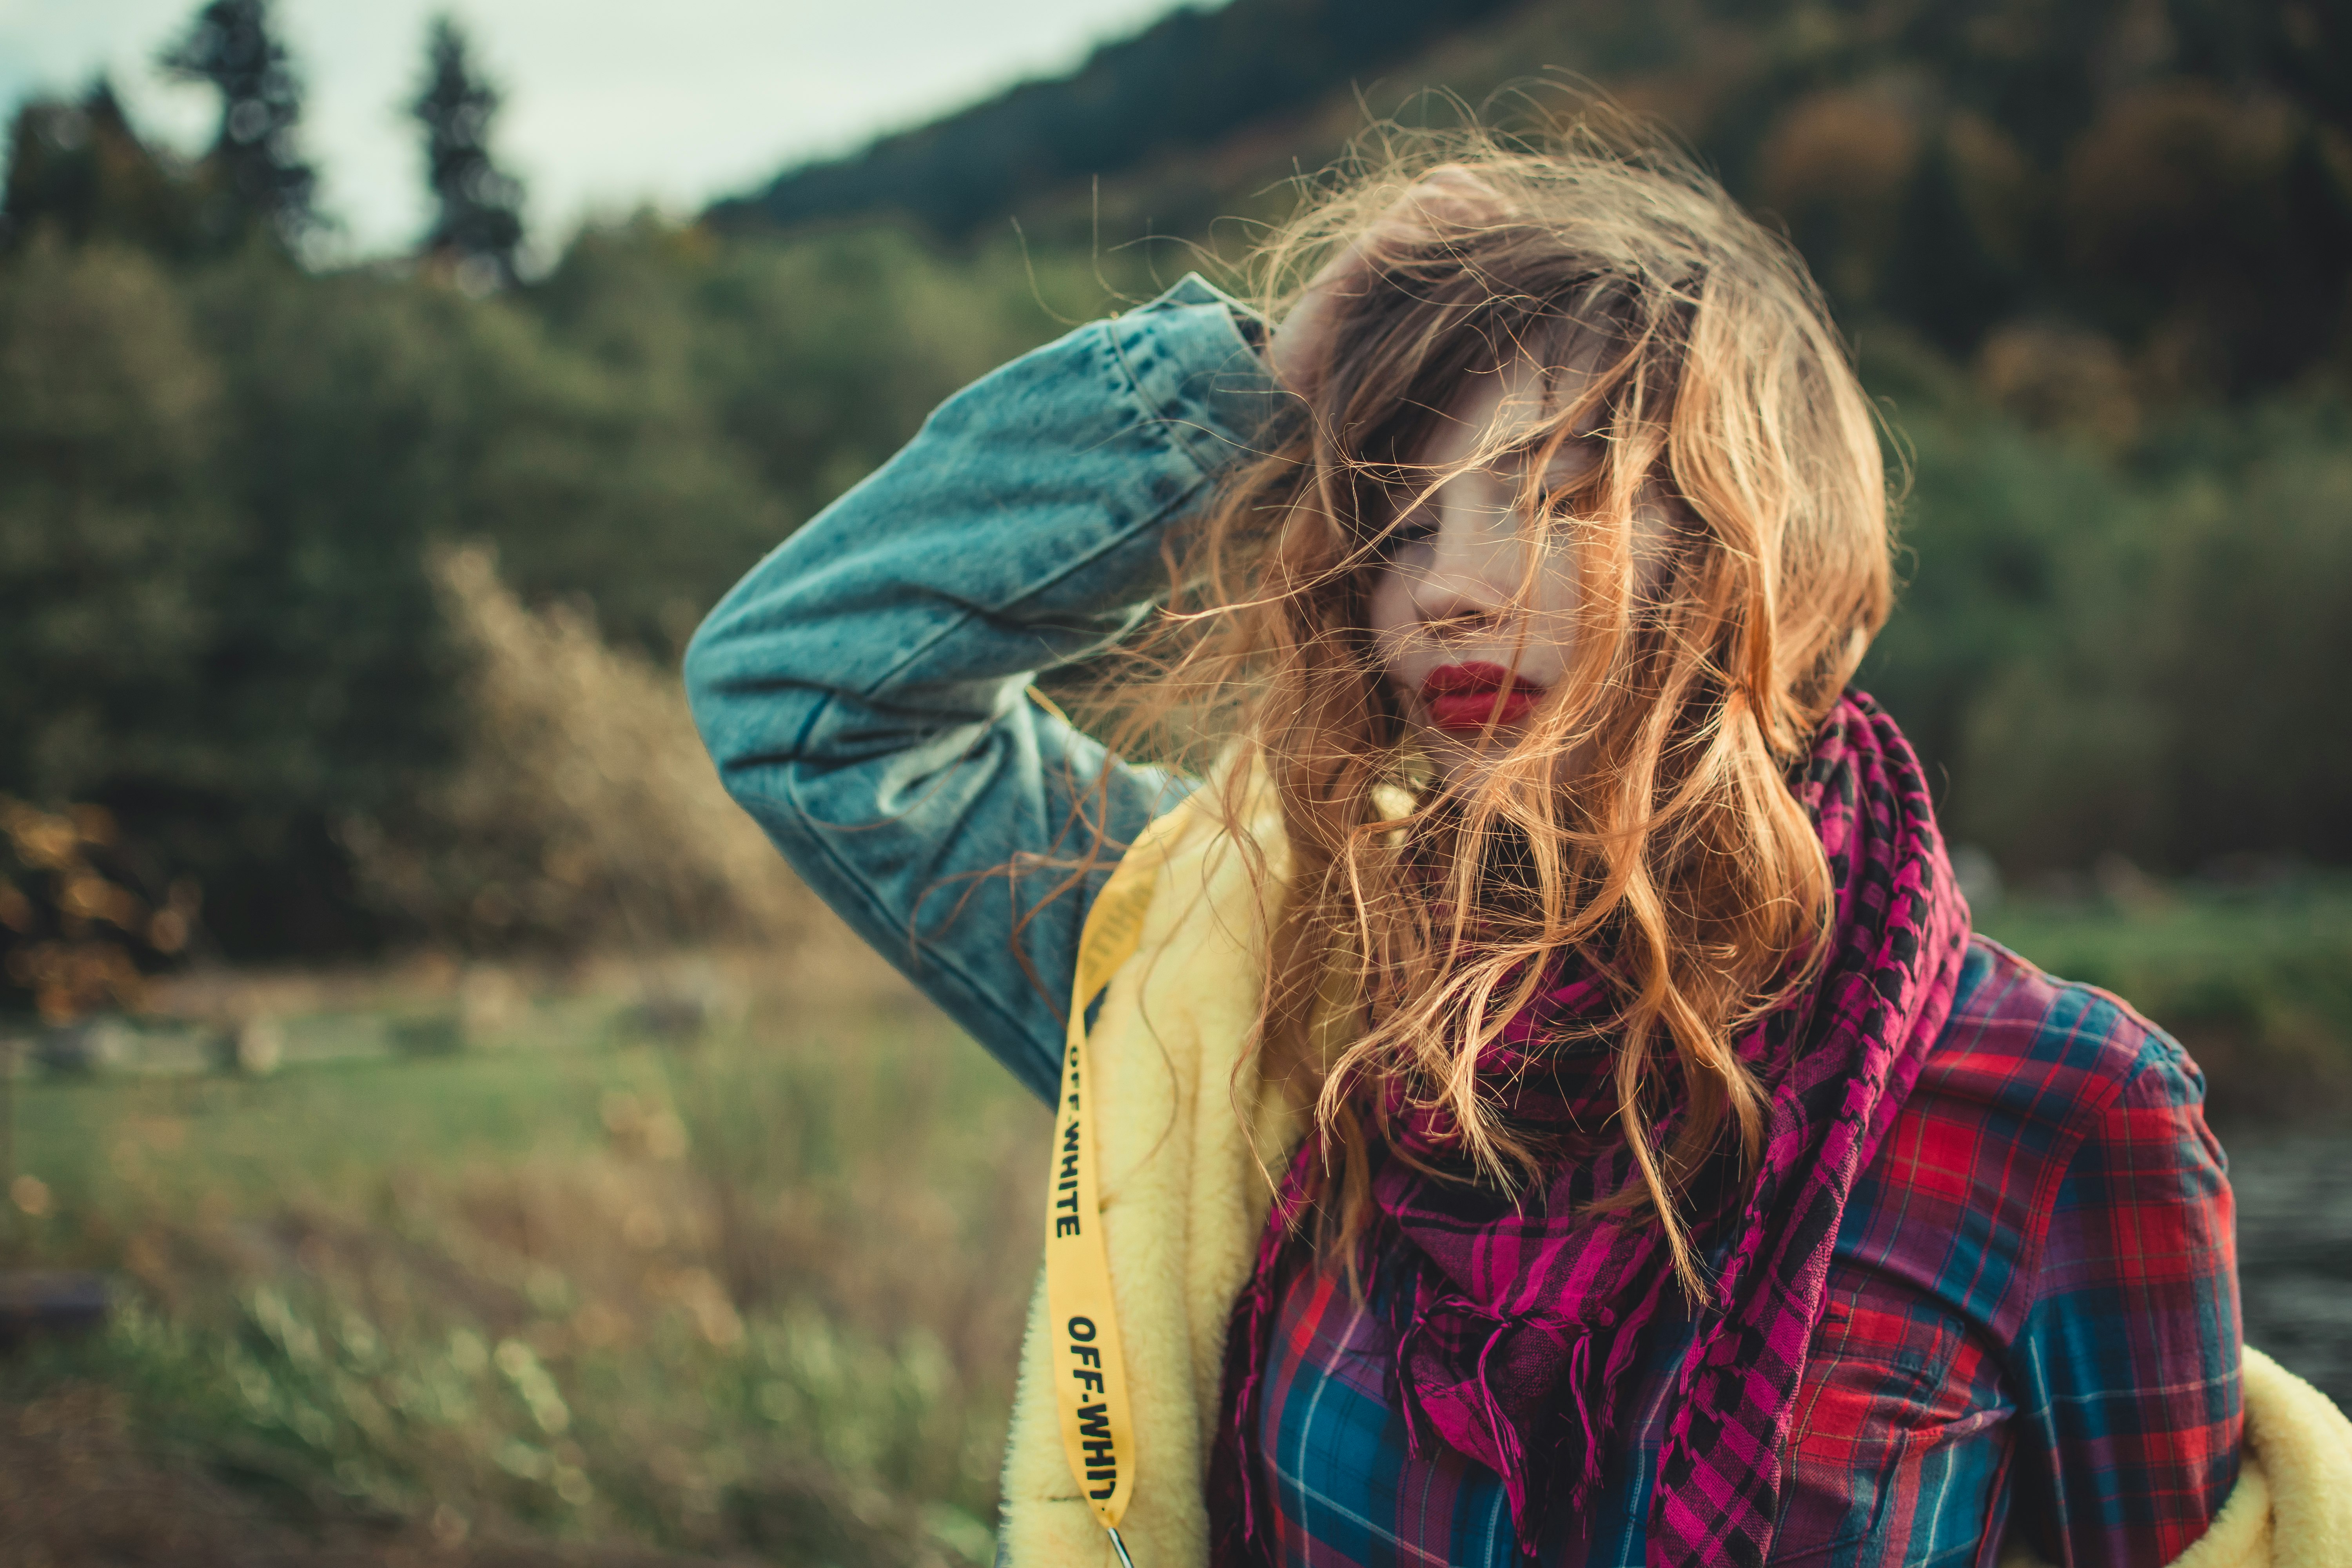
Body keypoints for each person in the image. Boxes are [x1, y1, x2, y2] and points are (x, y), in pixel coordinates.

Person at [684, 130, 2253, 1567]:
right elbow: (805, 694)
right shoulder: (1244, 983)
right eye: (1400, 521)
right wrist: (1252, 383)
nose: (1446, 588)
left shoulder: (2067, 1113)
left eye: (1553, 493)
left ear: (1764, 545)